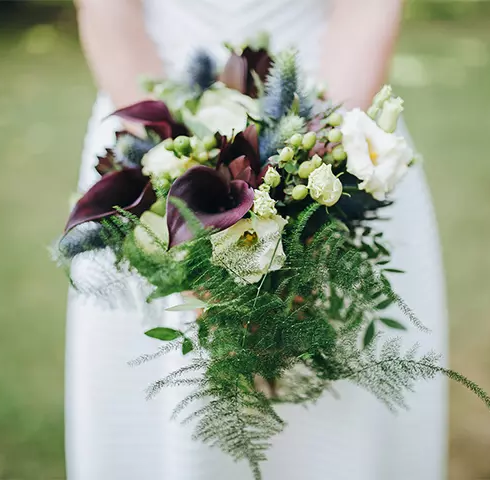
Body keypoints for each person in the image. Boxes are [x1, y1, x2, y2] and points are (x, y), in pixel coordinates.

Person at [67, 0, 448, 478]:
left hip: (336, 108)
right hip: (141, 119)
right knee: (163, 406)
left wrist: (317, 168)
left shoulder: (329, 143)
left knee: (337, 421)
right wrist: (178, 198)